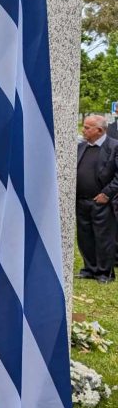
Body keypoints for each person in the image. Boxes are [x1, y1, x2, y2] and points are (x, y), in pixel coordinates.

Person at [76, 114, 118, 283]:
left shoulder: (114, 146)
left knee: (104, 237)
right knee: (85, 236)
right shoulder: (82, 147)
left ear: (99, 130)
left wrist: (107, 194)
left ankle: (104, 272)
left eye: (87, 128)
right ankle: (89, 268)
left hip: (102, 200)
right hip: (82, 200)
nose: (83, 130)